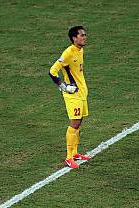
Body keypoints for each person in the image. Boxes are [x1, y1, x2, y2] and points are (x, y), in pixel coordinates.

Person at [49, 26, 91, 169]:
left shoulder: (80, 50)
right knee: (74, 123)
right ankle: (68, 157)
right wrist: (64, 87)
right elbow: (52, 72)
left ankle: (75, 153)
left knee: (79, 123)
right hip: (72, 95)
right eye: (82, 35)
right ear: (74, 38)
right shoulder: (68, 53)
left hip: (82, 92)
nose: (85, 37)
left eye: (85, 35)